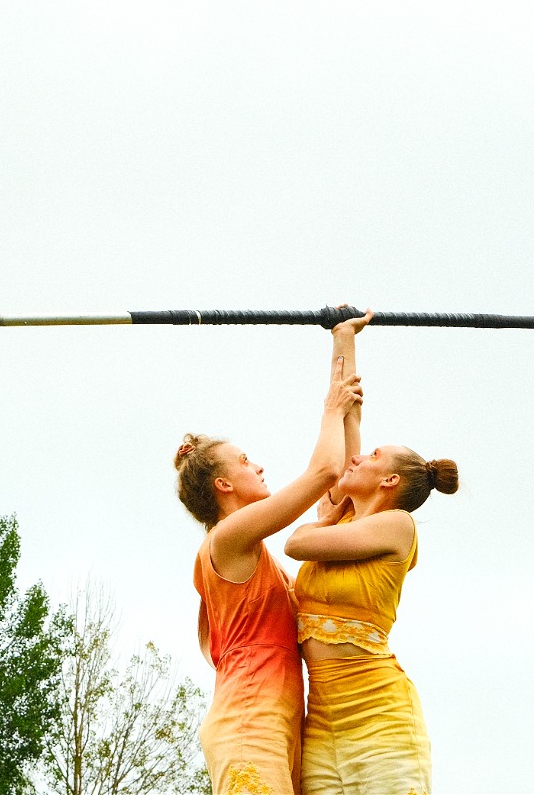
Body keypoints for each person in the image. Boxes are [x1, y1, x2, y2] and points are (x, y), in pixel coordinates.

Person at [175, 336, 362, 795]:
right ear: (223, 484)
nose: (258, 466)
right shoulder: (226, 541)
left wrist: (343, 342)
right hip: (248, 725)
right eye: (244, 461)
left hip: (278, 726)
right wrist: (330, 408)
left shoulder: (264, 564)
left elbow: (344, 478)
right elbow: (324, 473)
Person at [284, 312, 458, 795]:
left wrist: (324, 513)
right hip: (322, 723)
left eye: (373, 456)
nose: (358, 457)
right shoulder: (344, 518)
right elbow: (349, 413)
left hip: (379, 716)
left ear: (389, 481)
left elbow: (296, 543)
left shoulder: (397, 526)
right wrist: (343, 338)